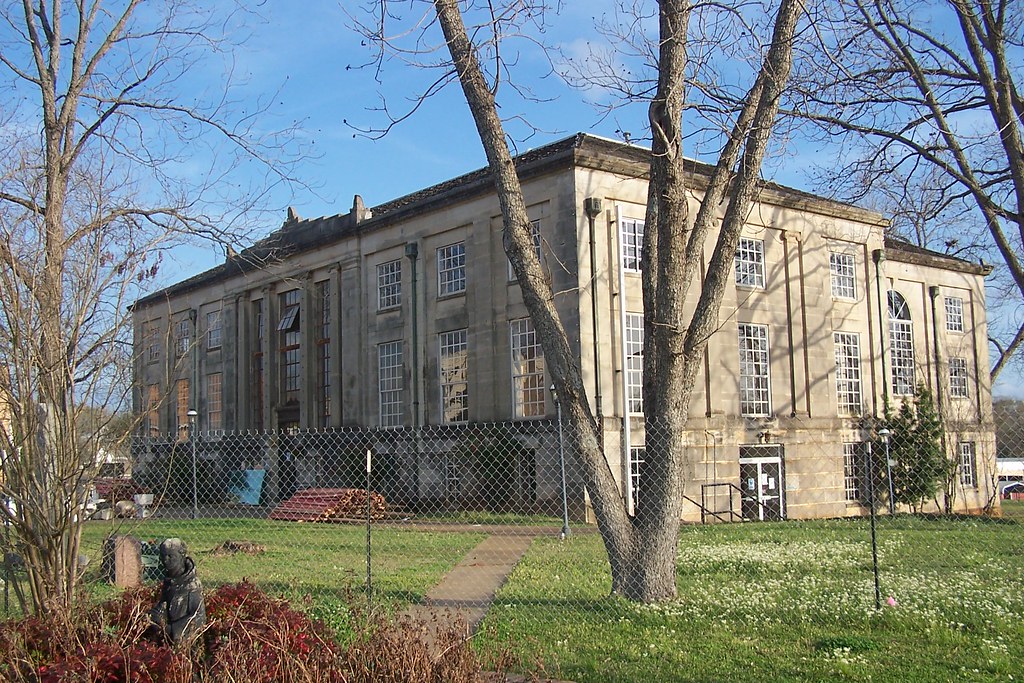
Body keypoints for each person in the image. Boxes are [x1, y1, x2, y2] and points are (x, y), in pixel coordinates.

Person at [150, 538, 206, 646]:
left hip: (185, 643)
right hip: (167, 637)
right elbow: (165, 604)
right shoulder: (169, 581)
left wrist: (172, 630)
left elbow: (199, 616)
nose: (165, 560)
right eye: (163, 556)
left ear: (182, 555)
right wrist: (156, 615)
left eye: (170, 556)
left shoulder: (192, 584)